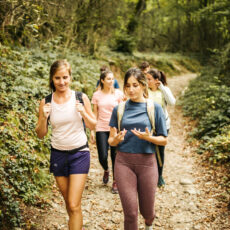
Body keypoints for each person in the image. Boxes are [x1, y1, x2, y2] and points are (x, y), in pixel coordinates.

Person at [35, 60, 96, 230]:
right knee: (69, 205)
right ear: (52, 79)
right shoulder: (46, 102)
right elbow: (40, 134)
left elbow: (94, 125)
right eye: (57, 78)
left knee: (74, 203)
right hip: (58, 155)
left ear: (70, 77)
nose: (62, 82)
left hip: (79, 153)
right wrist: (43, 118)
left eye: (65, 77)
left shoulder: (80, 98)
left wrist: (83, 113)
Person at [108, 67, 167, 230]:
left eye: (135, 85)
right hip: (123, 163)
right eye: (127, 86)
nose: (131, 89)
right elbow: (111, 141)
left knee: (147, 211)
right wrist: (116, 140)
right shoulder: (118, 109)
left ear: (143, 85)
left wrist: (149, 138)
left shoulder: (155, 108)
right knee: (131, 214)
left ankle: (149, 222)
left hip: (147, 163)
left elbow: (164, 140)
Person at [91, 70, 123, 193]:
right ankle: (106, 170)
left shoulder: (119, 94)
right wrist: (92, 131)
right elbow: (95, 114)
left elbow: (122, 111)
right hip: (101, 128)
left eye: (112, 78)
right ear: (102, 81)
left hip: (115, 128)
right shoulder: (96, 95)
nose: (111, 81)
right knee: (102, 156)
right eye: (108, 79)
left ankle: (115, 181)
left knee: (115, 156)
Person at [146, 68, 176, 187]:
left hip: (163, 124)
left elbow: (172, 102)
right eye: (146, 79)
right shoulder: (145, 90)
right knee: (148, 149)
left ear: (156, 80)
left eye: (149, 79)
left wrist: (162, 88)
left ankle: (159, 175)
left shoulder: (164, 90)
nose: (147, 81)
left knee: (160, 151)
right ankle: (148, 175)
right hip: (148, 125)